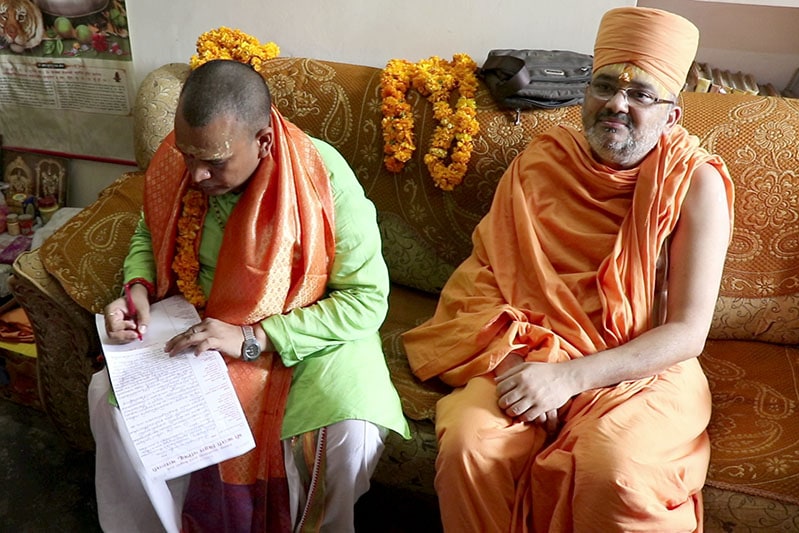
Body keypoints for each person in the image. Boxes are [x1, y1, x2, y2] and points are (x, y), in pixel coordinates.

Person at [403, 7, 734, 532]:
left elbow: (688, 333)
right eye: (604, 87)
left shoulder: (695, 184)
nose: (616, 105)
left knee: (613, 471)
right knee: (472, 445)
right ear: (585, 94)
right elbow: (486, 279)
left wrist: (569, 378)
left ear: (672, 116)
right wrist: (523, 361)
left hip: (642, 366)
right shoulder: (542, 161)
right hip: (528, 346)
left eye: (640, 94)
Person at [89, 58, 409, 533]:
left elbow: (364, 300)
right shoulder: (179, 164)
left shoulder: (324, 180)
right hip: (202, 322)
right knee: (113, 404)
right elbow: (148, 231)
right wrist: (138, 288)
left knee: (349, 435)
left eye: (214, 162)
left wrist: (254, 336)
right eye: (187, 156)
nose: (195, 175)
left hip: (311, 329)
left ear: (262, 142)